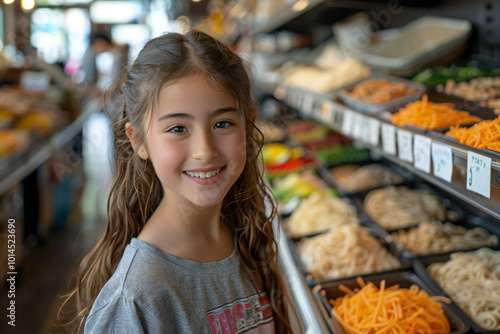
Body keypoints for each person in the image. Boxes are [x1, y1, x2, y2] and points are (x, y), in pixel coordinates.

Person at [61, 29, 291, 333]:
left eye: (222, 123)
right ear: (139, 140)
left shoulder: (248, 239)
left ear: (248, 126)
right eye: (178, 128)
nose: (204, 151)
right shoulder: (135, 299)